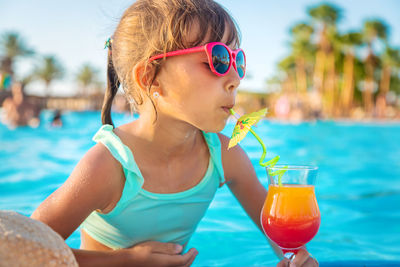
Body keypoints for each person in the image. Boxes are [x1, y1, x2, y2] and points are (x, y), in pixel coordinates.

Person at [31, 1, 318, 266]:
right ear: (150, 78)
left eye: (237, 60)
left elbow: (277, 231)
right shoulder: (110, 166)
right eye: (217, 59)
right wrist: (126, 260)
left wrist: (297, 259)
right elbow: (21, 247)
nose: (234, 79)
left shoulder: (224, 156)